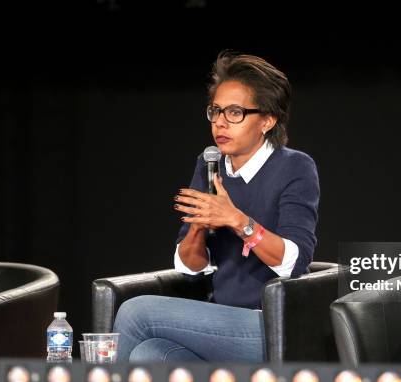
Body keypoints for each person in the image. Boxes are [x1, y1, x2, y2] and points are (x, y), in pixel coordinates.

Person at [113, 51, 320, 363]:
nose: (221, 122)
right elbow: (191, 267)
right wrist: (198, 226)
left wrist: (237, 220)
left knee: (135, 312)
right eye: (216, 111)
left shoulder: (294, 167)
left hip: (271, 327)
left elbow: (295, 264)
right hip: (218, 321)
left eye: (235, 112)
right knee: (149, 357)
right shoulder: (210, 164)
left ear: (267, 120)